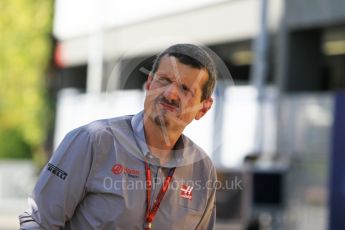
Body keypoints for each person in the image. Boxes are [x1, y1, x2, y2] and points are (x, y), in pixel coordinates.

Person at [19, 43, 218, 230]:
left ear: (203, 108)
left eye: (185, 89)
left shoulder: (203, 170)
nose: (171, 94)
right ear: (149, 84)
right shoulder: (93, 141)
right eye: (164, 80)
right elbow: (38, 222)